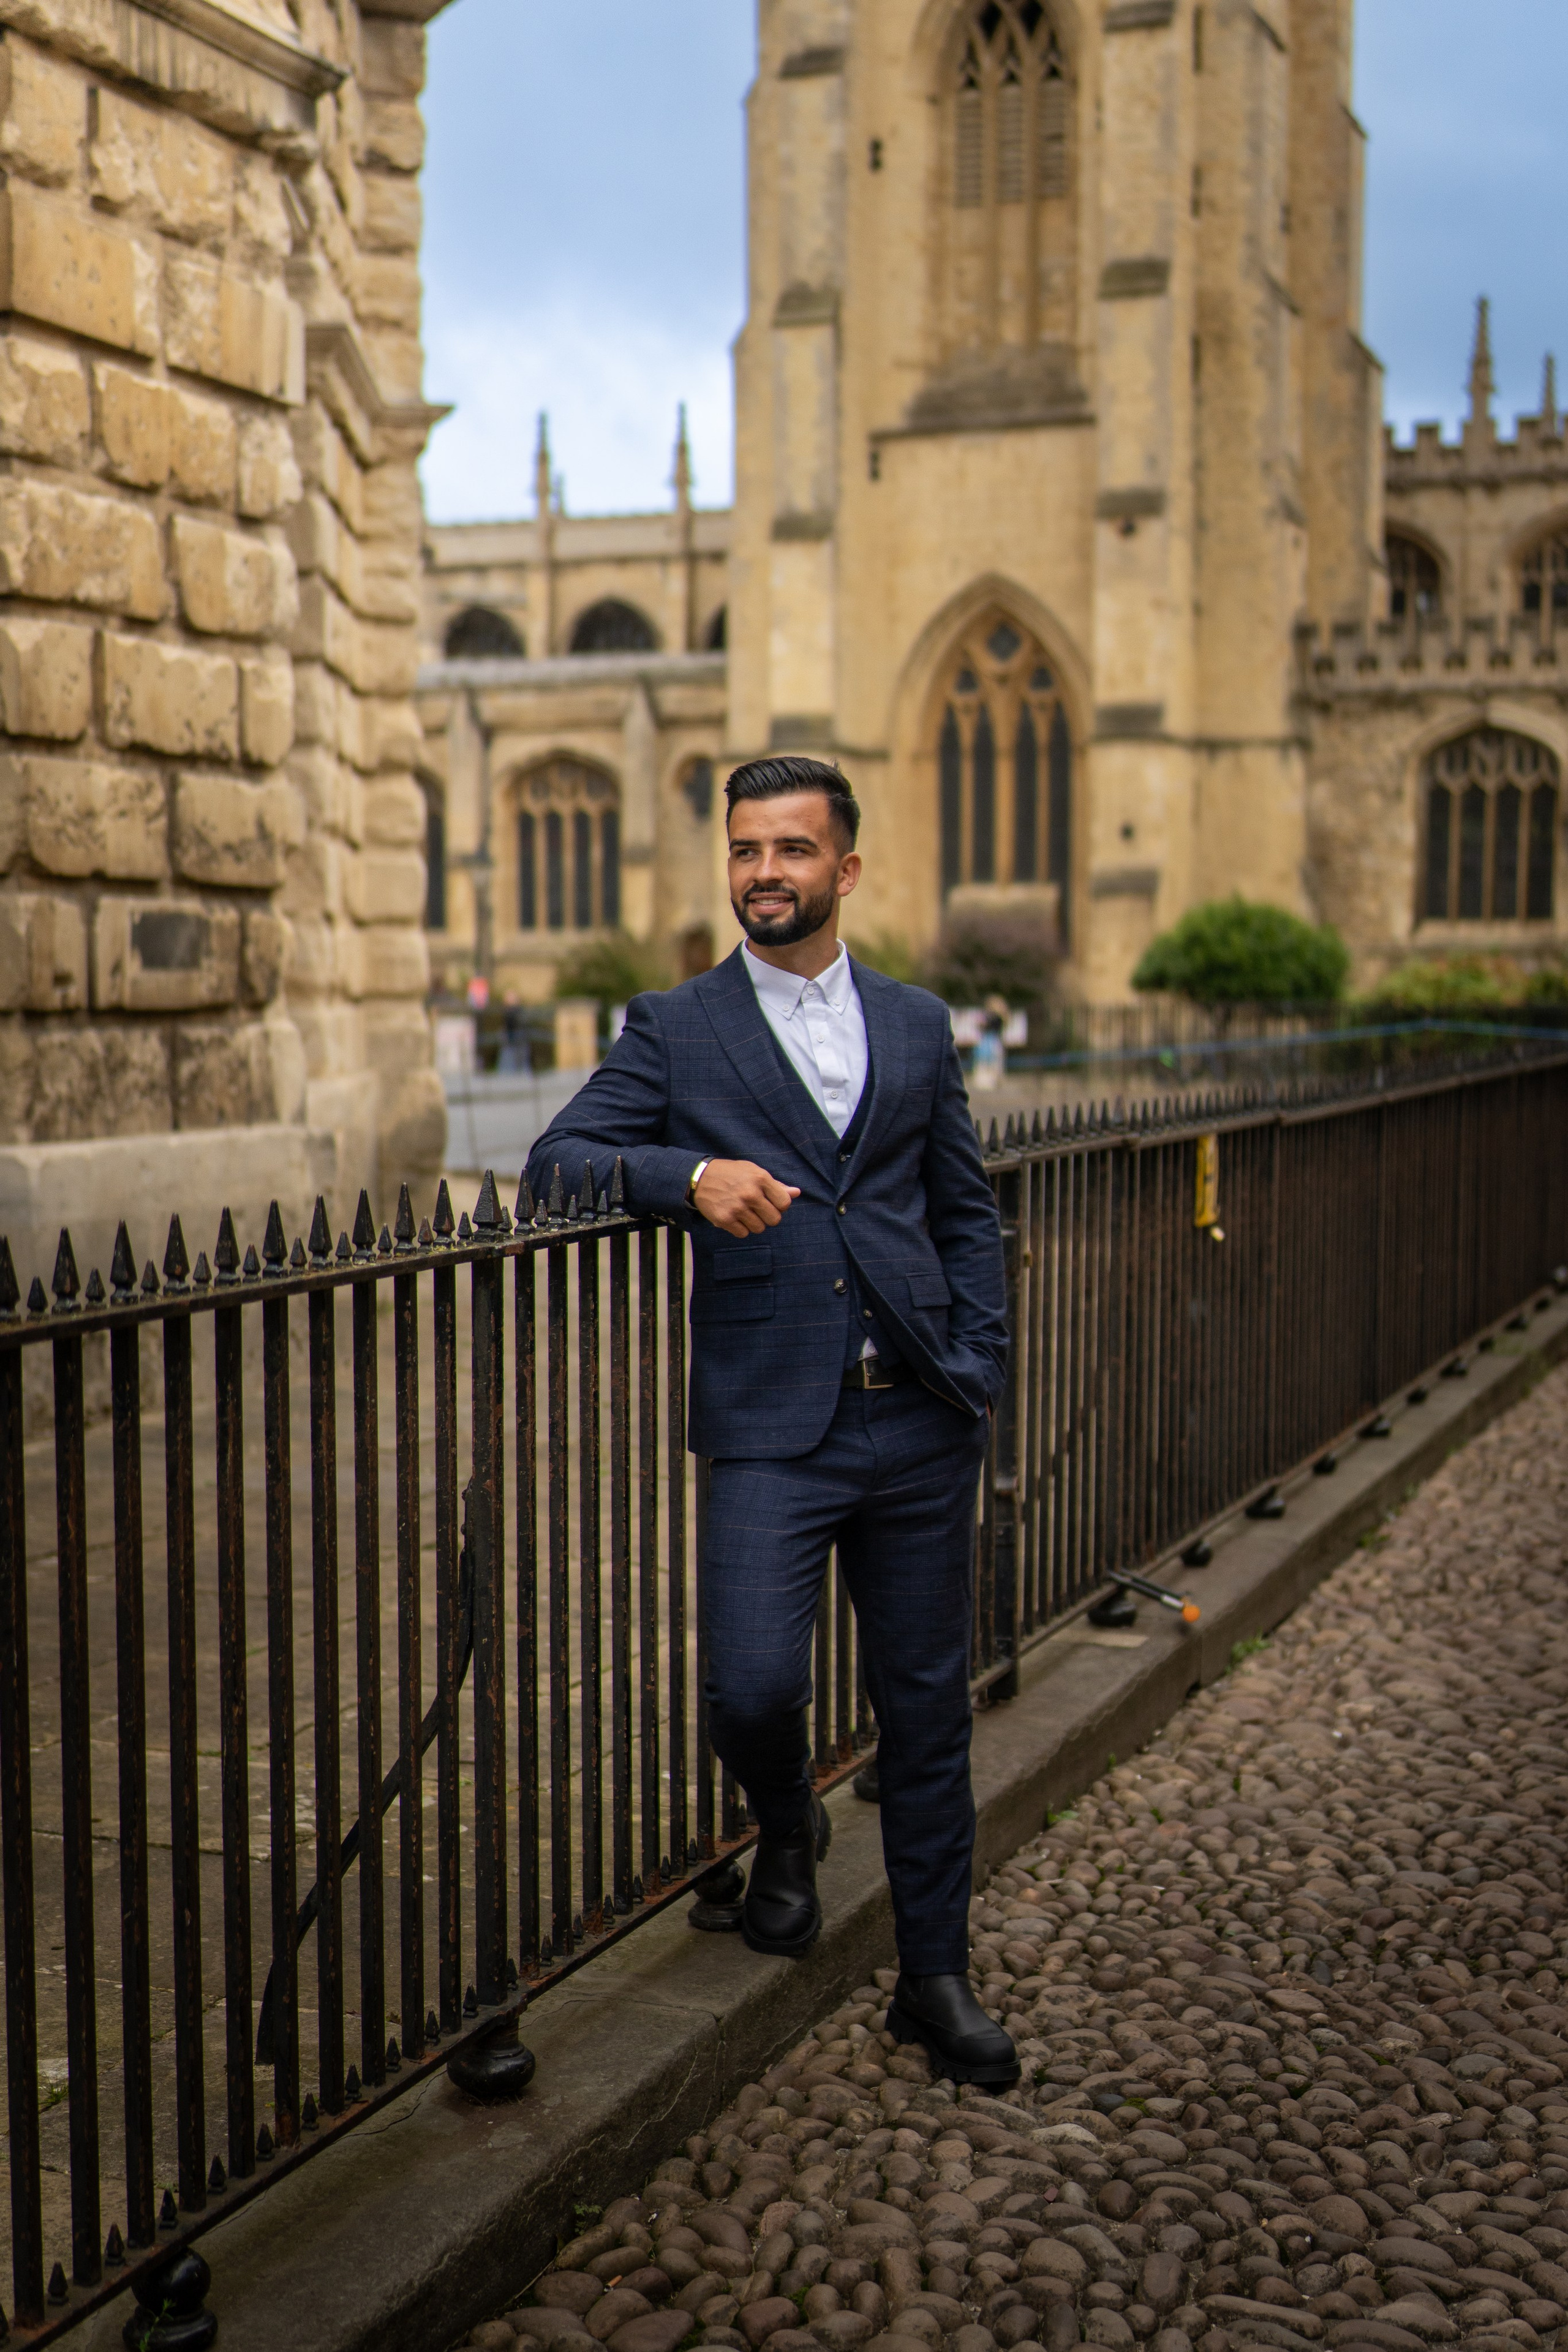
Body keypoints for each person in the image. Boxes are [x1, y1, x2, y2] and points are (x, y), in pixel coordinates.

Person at [526, 754, 1017, 2088]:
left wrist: (975, 1364)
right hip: (767, 1421)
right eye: (745, 850)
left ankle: (933, 1978)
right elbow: (555, 1165)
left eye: (791, 851)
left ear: (842, 870)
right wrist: (684, 1174)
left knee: (925, 1715)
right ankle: (784, 1827)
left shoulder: (916, 1025)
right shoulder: (676, 1028)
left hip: (918, 1418)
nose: (763, 874)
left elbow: (962, 1208)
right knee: (748, 1686)